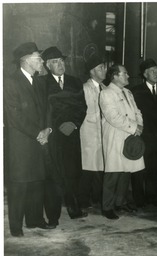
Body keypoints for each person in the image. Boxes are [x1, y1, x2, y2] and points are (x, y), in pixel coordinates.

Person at [4, 42, 55, 237]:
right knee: (19, 184)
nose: (42, 62)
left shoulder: (40, 82)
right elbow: (14, 116)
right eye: (38, 58)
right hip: (22, 143)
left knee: (37, 182)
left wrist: (48, 129)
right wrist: (38, 133)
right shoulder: (10, 81)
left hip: (40, 140)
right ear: (26, 60)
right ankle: (16, 226)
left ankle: (34, 220)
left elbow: (47, 109)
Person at [41, 46, 88, 219]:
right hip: (52, 135)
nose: (60, 64)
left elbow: (83, 107)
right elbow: (43, 110)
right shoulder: (42, 83)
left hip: (72, 134)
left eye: (62, 61)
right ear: (47, 65)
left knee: (73, 171)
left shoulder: (75, 82)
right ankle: (53, 215)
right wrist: (56, 125)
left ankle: (74, 208)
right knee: (53, 172)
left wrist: (74, 124)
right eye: (55, 62)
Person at [100, 64, 145, 219]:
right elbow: (113, 117)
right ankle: (107, 207)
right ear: (115, 76)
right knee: (113, 172)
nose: (128, 76)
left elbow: (137, 111)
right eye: (125, 73)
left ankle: (120, 202)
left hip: (130, 136)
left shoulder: (128, 92)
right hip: (115, 136)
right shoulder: (106, 93)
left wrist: (139, 125)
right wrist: (133, 127)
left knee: (126, 171)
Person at [132, 58, 157, 206]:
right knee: (149, 166)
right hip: (147, 136)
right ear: (145, 74)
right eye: (153, 71)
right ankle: (150, 196)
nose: (156, 74)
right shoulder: (137, 91)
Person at [79, 54, 107, 209]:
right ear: (92, 72)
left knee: (99, 168)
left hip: (102, 134)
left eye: (104, 67)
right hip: (89, 134)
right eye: (100, 68)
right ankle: (83, 201)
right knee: (88, 169)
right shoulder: (85, 88)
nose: (104, 70)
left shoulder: (105, 88)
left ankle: (96, 198)